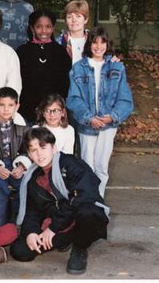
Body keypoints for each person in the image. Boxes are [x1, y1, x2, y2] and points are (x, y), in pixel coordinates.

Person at [10, 127, 109, 275]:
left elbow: (83, 197)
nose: (39, 154)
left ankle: (80, 247)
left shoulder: (72, 164)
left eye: (43, 147)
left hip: (78, 220)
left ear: (53, 148)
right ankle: (66, 240)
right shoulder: (33, 177)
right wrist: (31, 232)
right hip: (58, 222)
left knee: (88, 212)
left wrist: (53, 228)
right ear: (29, 154)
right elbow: (33, 210)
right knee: (20, 250)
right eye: (33, 150)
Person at [67, 26, 133, 197]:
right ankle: (86, 203)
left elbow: (125, 99)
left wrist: (112, 116)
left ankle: (98, 204)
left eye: (102, 42)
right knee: (87, 166)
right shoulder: (79, 67)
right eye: (95, 42)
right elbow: (74, 99)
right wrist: (89, 118)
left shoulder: (117, 68)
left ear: (107, 44)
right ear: (89, 45)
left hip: (108, 125)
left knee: (102, 167)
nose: (98, 46)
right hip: (87, 125)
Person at [17, 10, 71, 124]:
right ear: (32, 28)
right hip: (28, 111)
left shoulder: (60, 52)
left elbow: (65, 83)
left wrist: (56, 106)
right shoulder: (22, 51)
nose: (44, 31)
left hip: (53, 113)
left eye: (48, 27)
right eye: (39, 27)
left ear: (53, 28)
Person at [56, 0, 90, 65]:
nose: (74, 20)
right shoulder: (58, 43)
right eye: (69, 17)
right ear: (65, 21)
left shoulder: (94, 40)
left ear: (85, 19)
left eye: (78, 16)